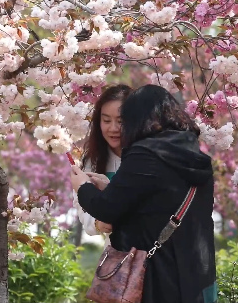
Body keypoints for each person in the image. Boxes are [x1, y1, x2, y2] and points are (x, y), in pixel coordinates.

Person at [70, 84, 217, 303]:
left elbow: (106, 209)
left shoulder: (145, 153)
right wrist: (108, 189)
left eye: (124, 120)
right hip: (197, 274)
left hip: (161, 276)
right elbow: (155, 203)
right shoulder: (190, 152)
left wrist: (83, 186)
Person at [72, 84, 133, 246]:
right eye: (106, 120)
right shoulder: (93, 160)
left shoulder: (149, 157)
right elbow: (81, 204)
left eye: (121, 121)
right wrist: (97, 223)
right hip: (119, 257)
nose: (113, 128)